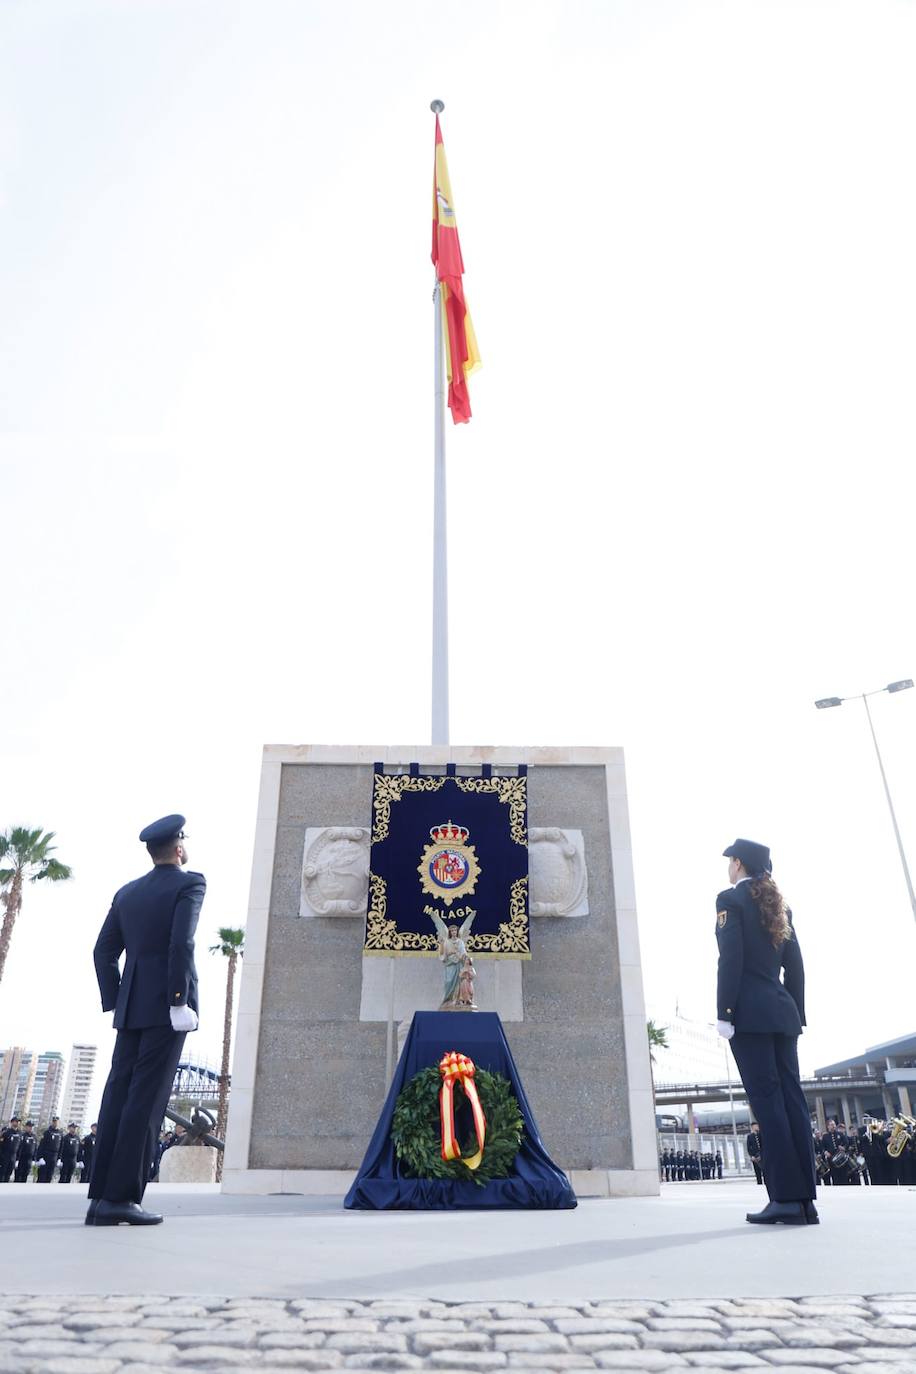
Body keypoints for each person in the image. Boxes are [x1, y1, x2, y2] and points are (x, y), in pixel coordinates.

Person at [88, 814, 205, 1227]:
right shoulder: (190, 883)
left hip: (132, 1007)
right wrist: (177, 1001)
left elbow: (102, 953)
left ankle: (100, 1196)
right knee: (146, 1101)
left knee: (118, 1094)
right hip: (166, 1010)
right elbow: (181, 942)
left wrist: (119, 1001)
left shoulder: (127, 892)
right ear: (178, 847)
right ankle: (121, 1199)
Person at [716, 838, 817, 1225]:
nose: (728, 868)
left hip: (751, 1017)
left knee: (768, 1104)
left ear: (738, 864)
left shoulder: (731, 900)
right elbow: (796, 966)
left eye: (730, 862)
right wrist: (794, 1010)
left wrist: (724, 1012)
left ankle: (785, 1200)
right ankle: (806, 1201)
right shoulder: (781, 906)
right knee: (792, 1101)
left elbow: (731, 960)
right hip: (782, 1014)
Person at [36, 1117, 62, 1182]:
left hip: (54, 1157)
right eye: (54, 1121)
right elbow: (41, 1146)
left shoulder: (60, 1134)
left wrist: (59, 1158)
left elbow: (61, 1147)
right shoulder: (47, 1132)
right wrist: (40, 1157)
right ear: (52, 1122)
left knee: (49, 1176)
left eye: (57, 1122)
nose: (55, 1123)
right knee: (42, 1176)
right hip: (46, 1156)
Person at [0, 1117, 22, 1182]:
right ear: (12, 1122)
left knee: (8, 1174)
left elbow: (19, 1147)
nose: (17, 1123)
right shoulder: (6, 1133)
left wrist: (17, 1159)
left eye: (18, 1122)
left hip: (13, 1157)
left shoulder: (20, 1133)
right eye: (16, 1121)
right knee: (2, 1174)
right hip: (5, 1156)